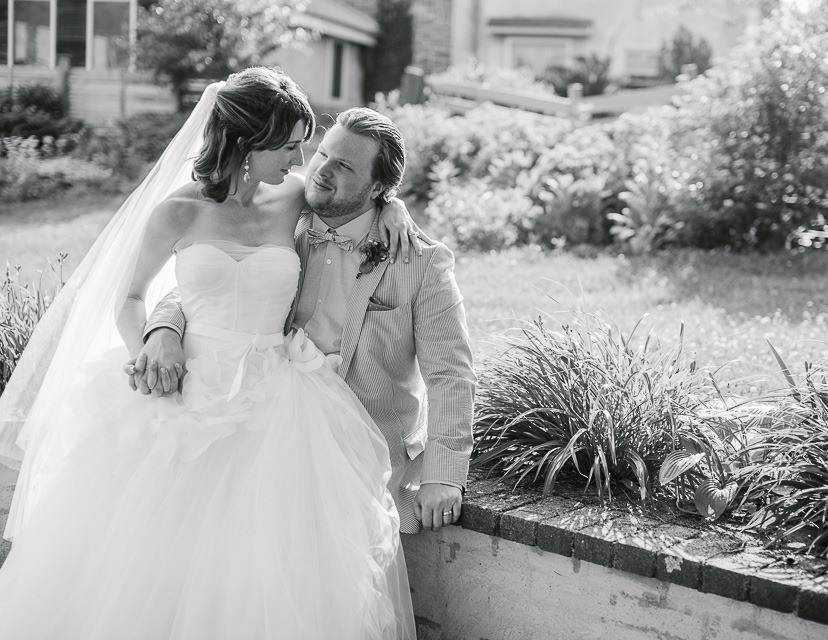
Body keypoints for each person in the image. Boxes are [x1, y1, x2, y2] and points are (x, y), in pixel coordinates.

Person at [0, 68, 418, 639]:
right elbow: (128, 295)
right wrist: (150, 342)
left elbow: (359, 197)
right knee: (150, 545)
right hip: (183, 391)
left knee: (263, 554)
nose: (303, 161)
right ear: (248, 143)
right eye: (290, 145)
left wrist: (392, 207)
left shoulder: (295, 197)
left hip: (275, 396)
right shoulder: (178, 211)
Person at [138, 106, 477, 535]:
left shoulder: (421, 263)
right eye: (322, 155)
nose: (320, 171)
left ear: (378, 189)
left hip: (357, 446)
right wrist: (163, 328)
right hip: (259, 422)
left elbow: (451, 373)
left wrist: (444, 474)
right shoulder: (283, 218)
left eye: (344, 166)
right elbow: (211, 285)